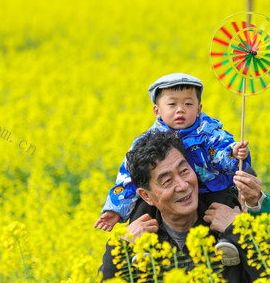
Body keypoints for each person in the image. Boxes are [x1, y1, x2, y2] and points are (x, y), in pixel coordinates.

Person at [97, 129, 270, 283]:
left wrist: (241, 230)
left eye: (184, 171)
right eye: (167, 181)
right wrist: (119, 248)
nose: (182, 185)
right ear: (146, 196)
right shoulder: (137, 242)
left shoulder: (229, 223)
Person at [94, 73, 251, 266]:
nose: (180, 110)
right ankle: (143, 250)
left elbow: (221, 150)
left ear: (199, 109)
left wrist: (233, 153)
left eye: (188, 104)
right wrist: (116, 209)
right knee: (143, 207)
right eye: (172, 104)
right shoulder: (146, 143)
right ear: (157, 111)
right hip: (168, 199)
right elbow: (129, 178)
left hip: (211, 189)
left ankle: (228, 245)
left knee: (225, 203)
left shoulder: (209, 132)